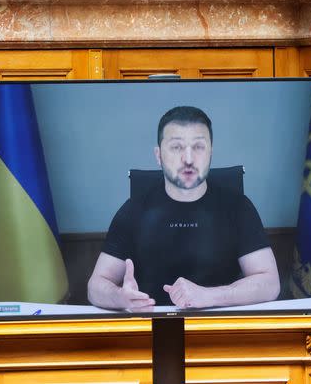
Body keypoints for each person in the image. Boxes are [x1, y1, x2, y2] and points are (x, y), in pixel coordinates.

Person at [87, 106, 280, 311]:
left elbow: (270, 283)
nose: (188, 159)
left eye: (198, 147)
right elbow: (95, 287)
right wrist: (120, 298)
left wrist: (210, 296)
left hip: (220, 329)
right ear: (158, 155)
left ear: (211, 153)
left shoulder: (238, 206)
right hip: (151, 329)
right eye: (176, 147)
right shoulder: (133, 209)